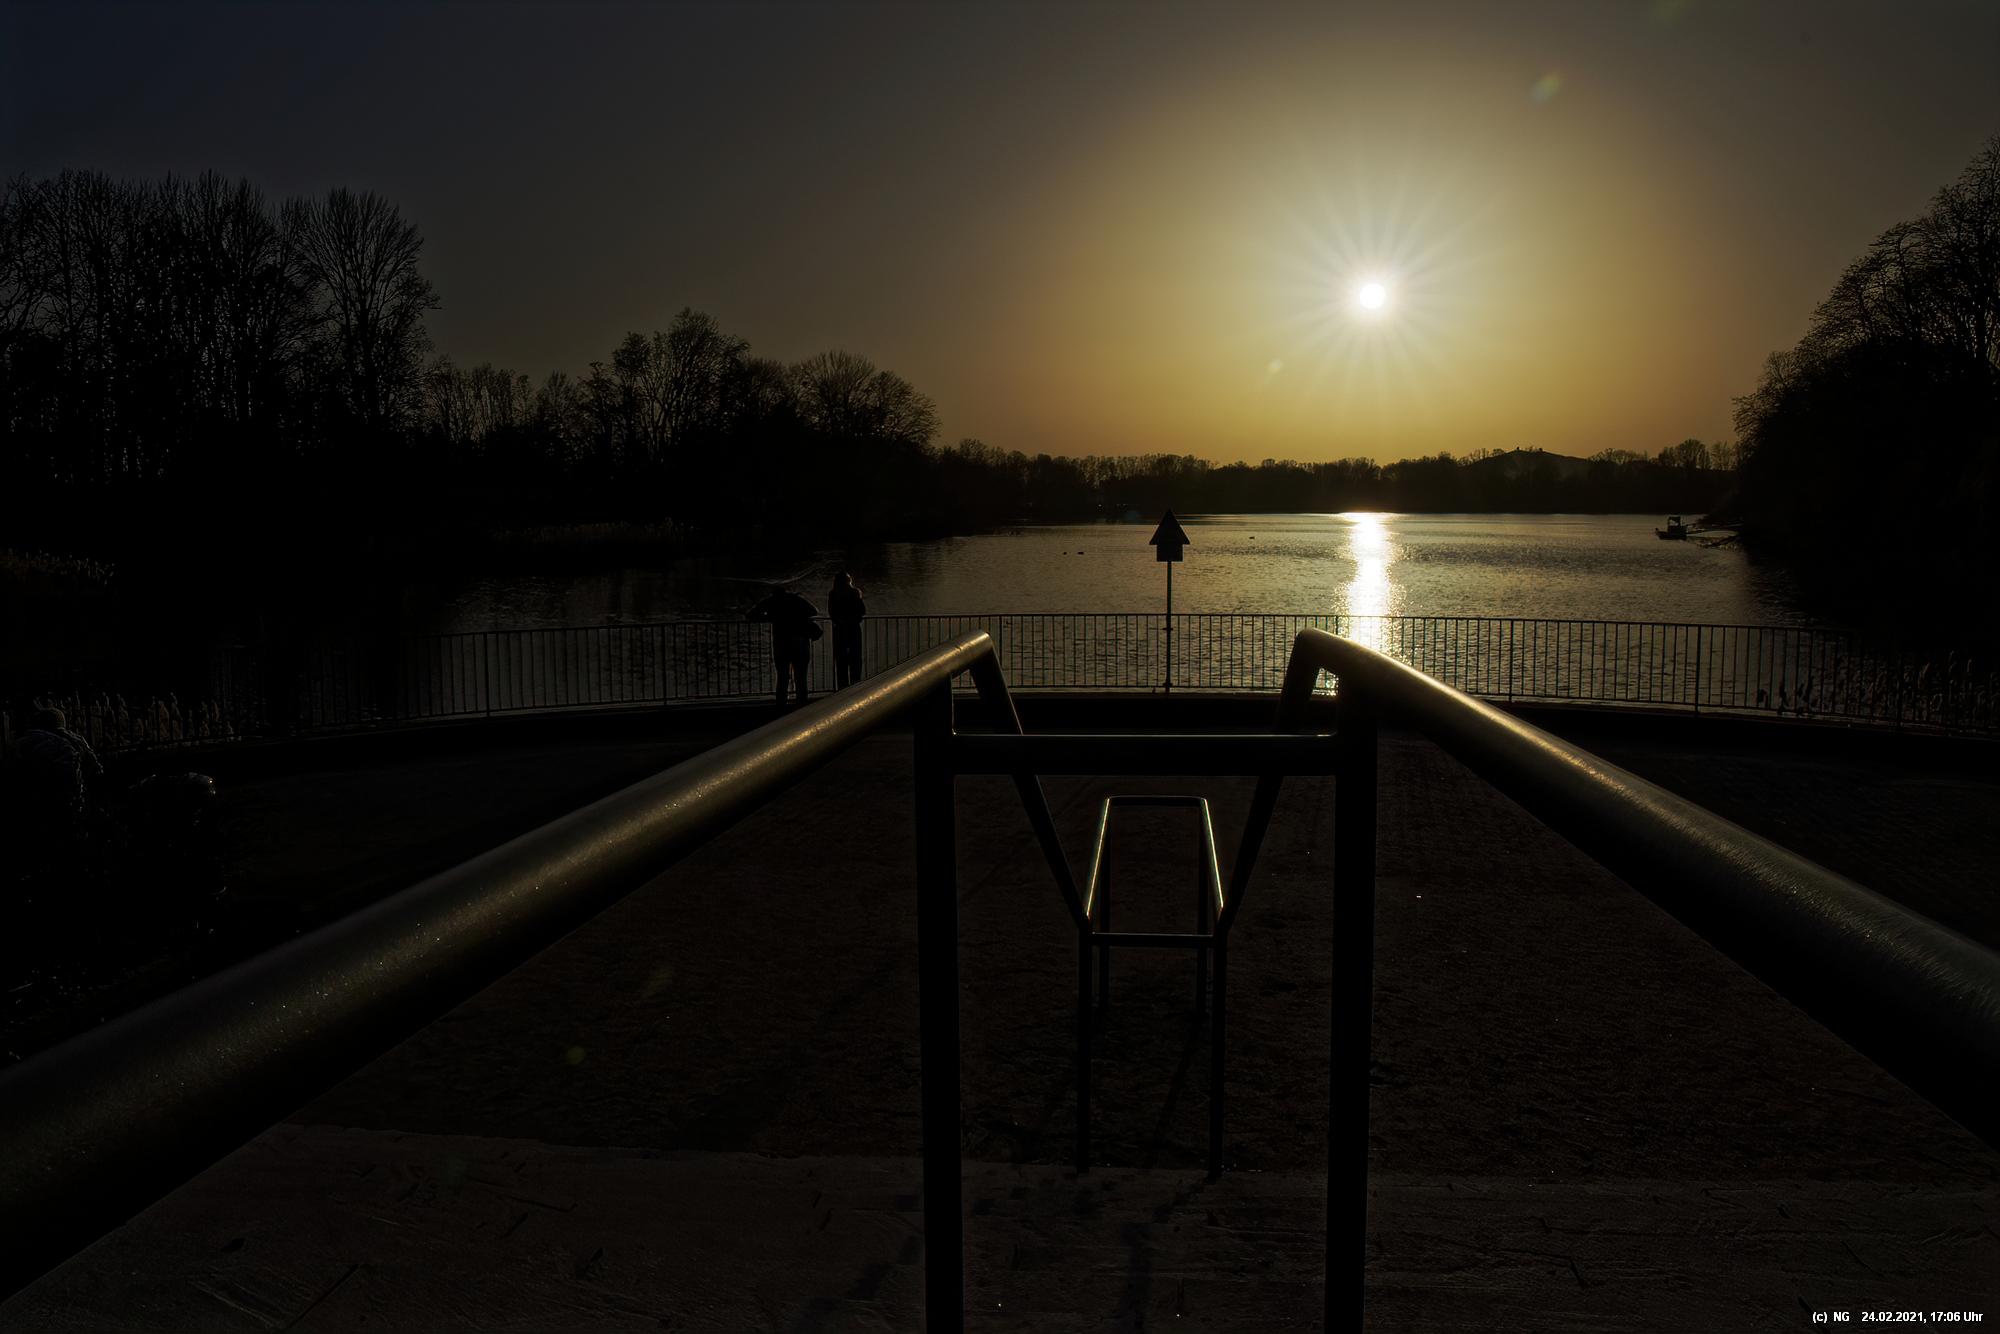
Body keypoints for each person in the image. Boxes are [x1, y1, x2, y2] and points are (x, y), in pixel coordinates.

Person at [749, 587, 822, 705]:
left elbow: (751, 615)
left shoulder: (771, 602)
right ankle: (802, 706)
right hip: (800, 643)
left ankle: (781, 706)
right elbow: (813, 611)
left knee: (782, 678)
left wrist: (769, 617)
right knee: (801, 678)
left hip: (781, 645)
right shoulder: (796, 599)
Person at [828, 571, 866, 689]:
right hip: (853, 629)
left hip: (840, 630)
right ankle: (856, 685)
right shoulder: (855, 592)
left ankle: (842, 688)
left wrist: (839, 621)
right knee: (855, 658)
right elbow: (862, 611)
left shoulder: (833, 594)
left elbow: (831, 612)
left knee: (841, 660)